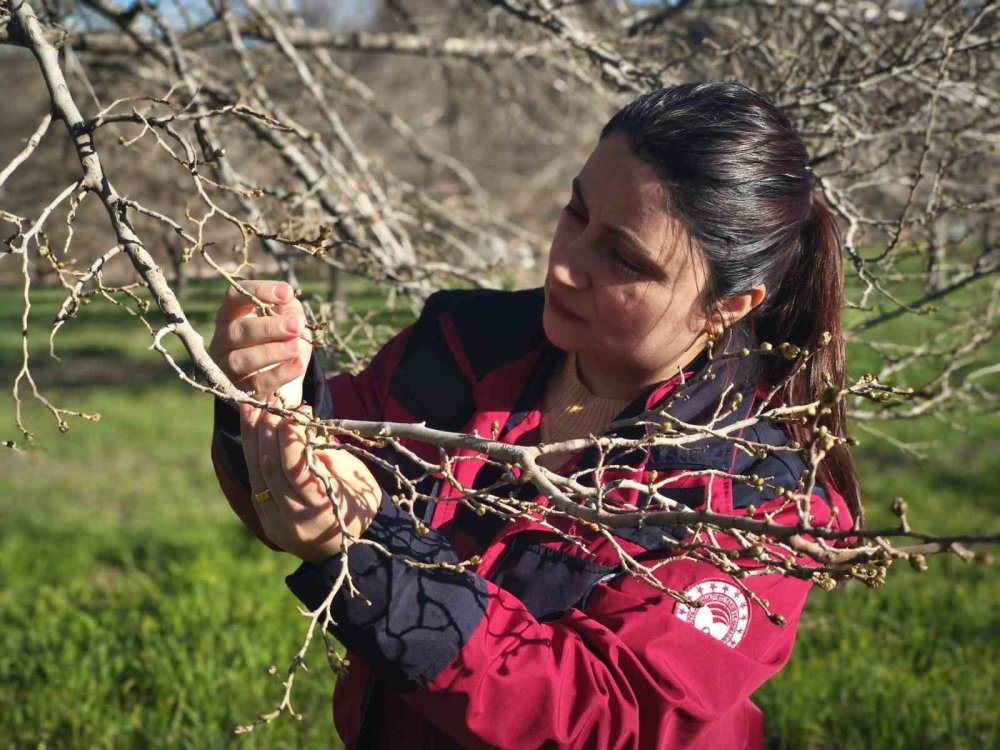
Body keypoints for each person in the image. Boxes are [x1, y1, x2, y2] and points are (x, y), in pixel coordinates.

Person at [209, 82, 860, 749]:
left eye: (623, 258)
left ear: (730, 305)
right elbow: (294, 491)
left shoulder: (757, 496)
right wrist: (262, 398)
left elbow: (603, 714)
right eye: (576, 213)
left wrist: (376, 551)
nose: (567, 265)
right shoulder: (463, 345)